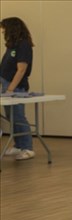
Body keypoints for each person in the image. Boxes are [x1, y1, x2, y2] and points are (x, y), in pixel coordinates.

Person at [1, 17, 35, 161]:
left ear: (12, 28)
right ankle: (18, 145)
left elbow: (21, 70)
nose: (2, 31)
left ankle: (27, 148)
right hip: (6, 83)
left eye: (4, 28)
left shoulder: (24, 45)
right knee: (11, 117)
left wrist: (10, 89)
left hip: (16, 87)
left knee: (19, 116)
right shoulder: (11, 45)